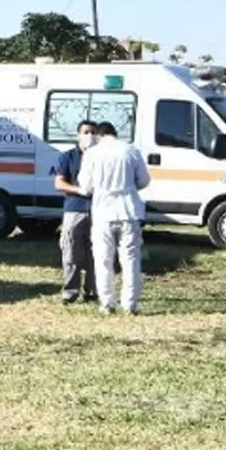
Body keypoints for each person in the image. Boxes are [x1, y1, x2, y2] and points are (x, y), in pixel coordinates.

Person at [77, 120, 151, 315]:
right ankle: (130, 304)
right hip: (128, 210)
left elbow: (85, 187)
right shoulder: (130, 150)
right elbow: (144, 180)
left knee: (103, 259)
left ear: (98, 135)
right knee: (130, 259)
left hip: (102, 212)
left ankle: (107, 303)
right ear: (115, 133)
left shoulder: (92, 153)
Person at [53, 120, 99, 305]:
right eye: (86, 132)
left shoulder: (102, 157)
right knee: (71, 251)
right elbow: (59, 183)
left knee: (96, 253)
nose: (90, 136)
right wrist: (78, 190)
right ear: (78, 135)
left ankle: (92, 291)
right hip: (74, 210)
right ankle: (70, 292)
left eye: (93, 132)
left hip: (98, 210)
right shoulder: (68, 157)